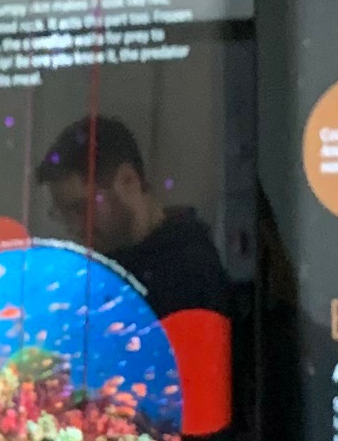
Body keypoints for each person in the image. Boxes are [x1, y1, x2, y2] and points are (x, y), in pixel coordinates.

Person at [32, 110, 232, 329]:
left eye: (82, 207)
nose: (74, 227)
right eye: (62, 214)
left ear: (128, 180)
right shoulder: (101, 271)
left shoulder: (190, 277)